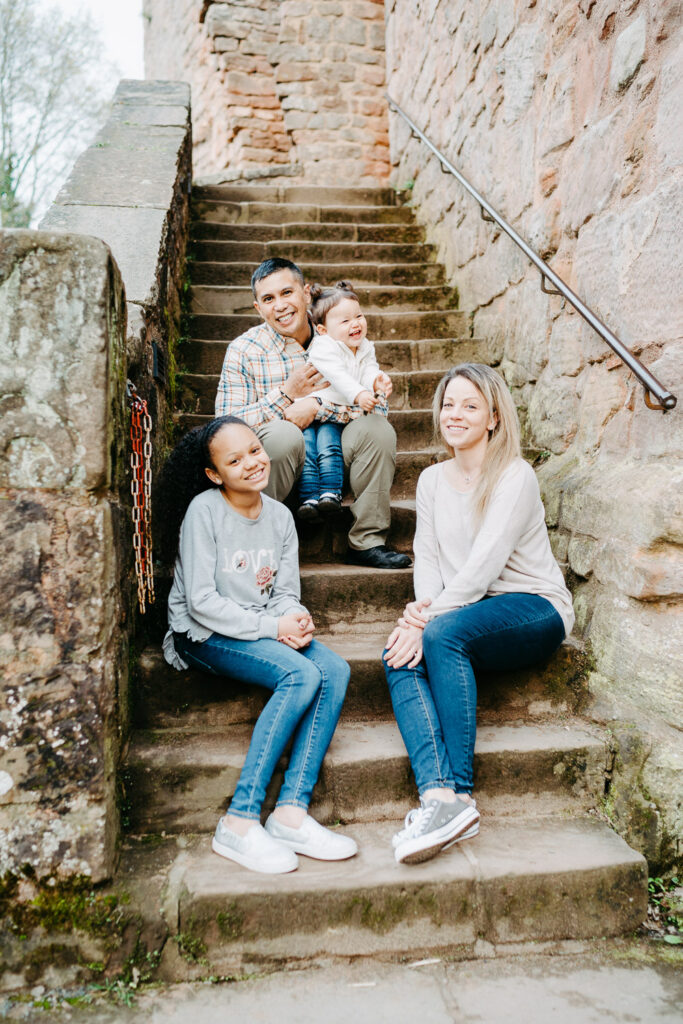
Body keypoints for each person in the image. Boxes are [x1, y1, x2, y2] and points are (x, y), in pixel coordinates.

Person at [383, 364, 574, 865]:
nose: (456, 414)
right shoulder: (430, 480)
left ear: (492, 417)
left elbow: (484, 567)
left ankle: (462, 793)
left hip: (533, 607)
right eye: (449, 404)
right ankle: (439, 796)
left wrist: (425, 621)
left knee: (441, 636)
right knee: (397, 656)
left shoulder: (514, 474)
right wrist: (422, 610)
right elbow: (427, 556)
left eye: (470, 405)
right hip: (466, 610)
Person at [160, 415, 358, 874]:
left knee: (336, 670)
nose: (251, 463)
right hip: (203, 634)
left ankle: (290, 813)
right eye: (234, 460)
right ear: (215, 474)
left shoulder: (281, 516)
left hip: (259, 627)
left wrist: (294, 617)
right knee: (300, 673)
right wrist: (273, 629)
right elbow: (202, 603)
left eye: (254, 449)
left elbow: (285, 591)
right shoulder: (204, 511)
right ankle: (241, 819)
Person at [215, 257, 410, 570]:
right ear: (257, 308)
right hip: (278, 467)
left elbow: (378, 406)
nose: (280, 306)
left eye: (287, 293)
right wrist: (286, 396)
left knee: (377, 428)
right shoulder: (245, 350)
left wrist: (319, 406)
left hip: (335, 461)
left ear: (305, 293)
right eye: (268, 299)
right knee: (283, 434)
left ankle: (367, 541)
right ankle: (262, 544)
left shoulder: (341, 332)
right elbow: (224, 429)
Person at [295, 280, 393, 521]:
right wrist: (359, 394)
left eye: (358, 316)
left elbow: (369, 368)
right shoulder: (323, 347)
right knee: (308, 448)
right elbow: (337, 376)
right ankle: (308, 496)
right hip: (314, 409)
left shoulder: (365, 347)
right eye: (345, 321)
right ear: (323, 330)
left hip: (333, 414)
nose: (355, 324)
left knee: (329, 445)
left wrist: (375, 382)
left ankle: (330, 492)